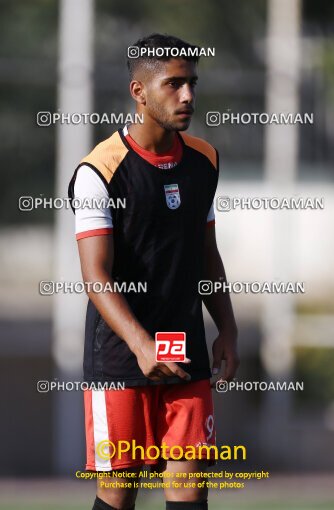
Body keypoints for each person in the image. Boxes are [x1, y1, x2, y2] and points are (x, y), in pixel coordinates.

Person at [68, 33, 239, 510]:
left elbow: (207, 253)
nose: (188, 96)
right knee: (118, 497)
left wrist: (226, 327)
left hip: (183, 351)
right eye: (174, 84)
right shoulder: (99, 171)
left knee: (189, 495)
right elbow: (95, 277)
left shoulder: (204, 160)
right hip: (121, 359)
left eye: (192, 84)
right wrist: (141, 344)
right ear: (138, 92)